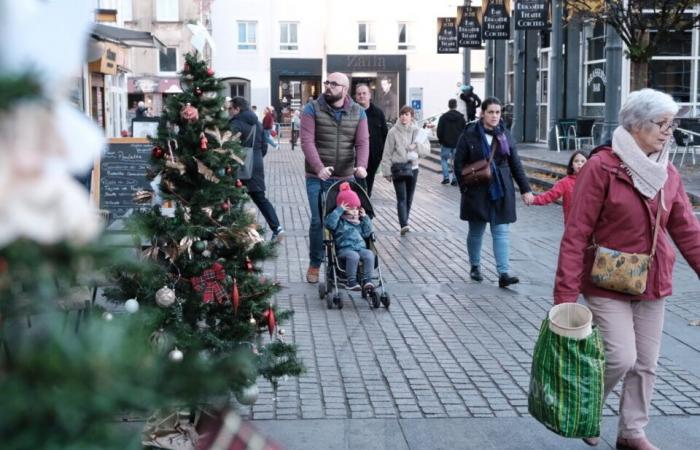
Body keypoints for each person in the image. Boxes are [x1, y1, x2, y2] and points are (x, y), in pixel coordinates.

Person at [553, 89, 700, 450]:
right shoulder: (602, 167)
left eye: (672, 124)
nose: (669, 131)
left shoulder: (666, 172)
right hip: (607, 279)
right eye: (661, 124)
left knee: (646, 363)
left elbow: (685, 228)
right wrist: (565, 296)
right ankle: (586, 411)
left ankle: (631, 431)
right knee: (621, 356)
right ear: (635, 125)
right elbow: (577, 232)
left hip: (652, 281)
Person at [454, 97, 534, 288]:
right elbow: (458, 163)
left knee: (501, 232)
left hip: (501, 190)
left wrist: (525, 189)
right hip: (476, 190)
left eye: (498, 112)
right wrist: (464, 188)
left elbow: (515, 164)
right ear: (483, 113)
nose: (495, 116)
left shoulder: (505, 134)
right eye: (491, 112)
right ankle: (475, 266)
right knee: (476, 232)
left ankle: (503, 273)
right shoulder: (469, 134)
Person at [300, 72, 369, 283]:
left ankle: (345, 263)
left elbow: (362, 142)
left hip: (346, 178)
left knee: (349, 218)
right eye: (327, 82)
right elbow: (307, 141)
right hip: (317, 177)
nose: (328, 86)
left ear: (344, 89)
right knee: (318, 221)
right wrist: (319, 167)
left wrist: (362, 166)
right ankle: (315, 263)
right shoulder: (312, 108)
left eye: (334, 84)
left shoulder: (358, 112)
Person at [228, 97, 285, 242]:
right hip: (256, 165)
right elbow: (264, 146)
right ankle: (277, 228)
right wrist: (256, 158)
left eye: (230, 108)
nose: (229, 111)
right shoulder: (257, 124)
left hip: (239, 165)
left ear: (237, 109)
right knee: (260, 198)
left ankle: (232, 232)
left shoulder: (236, 123)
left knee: (232, 198)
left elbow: (227, 145)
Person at [380, 105, 430, 236]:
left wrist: (416, 146)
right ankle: (404, 224)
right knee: (401, 198)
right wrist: (386, 172)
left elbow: (427, 150)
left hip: (413, 168)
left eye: (407, 114)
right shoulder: (393, 132)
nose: (403, 117)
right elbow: (387, 153)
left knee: (409, 198)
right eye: (402, 114)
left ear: (411, 117)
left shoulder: (417, 131)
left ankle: (405, 222)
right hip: (398, 168)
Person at [325, 182, 375, 291]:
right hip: (345, 250)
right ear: (344, 209)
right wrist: (339, 210)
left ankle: (368, 280)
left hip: (360, 248)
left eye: (357, 209)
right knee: (353, 256)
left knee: (369, 254)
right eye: (351, 208)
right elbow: (329, 224)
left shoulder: (359, 222)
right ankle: (351, 281)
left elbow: (367, 233)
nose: (355, 211)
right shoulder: (339, 221)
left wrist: (365, 218)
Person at [527, 151, 587, 225]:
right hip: (572, 226)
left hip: (590, 225)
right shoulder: (565, 182)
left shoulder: (593, 181)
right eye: (576, 161)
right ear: (572, 165)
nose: (579, 163)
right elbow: (550, 195)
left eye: (583, 161)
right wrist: (533, 200)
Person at [354, 83, 388, 197]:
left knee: (367, 190)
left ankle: (365, 212)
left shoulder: (378, 113)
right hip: (355, 158)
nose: (361, 96)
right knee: (355, 190)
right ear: (355, 97)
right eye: (359, 94)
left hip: (373, 158)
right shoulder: (351, 112)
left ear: (370, 96)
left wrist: (381, 156)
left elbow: (385, 135)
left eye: (364, 93)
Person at [436, 98, 467, 186]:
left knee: (444, 159)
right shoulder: (461, 118)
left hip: (445, 143)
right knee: (456, 161)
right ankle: (455, 179)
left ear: (448, 105)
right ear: (456, 106)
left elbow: (439, 130)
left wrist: (441, 140)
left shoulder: (443, 117)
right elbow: (464, 131)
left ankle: (446, 178)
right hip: (457, 143)